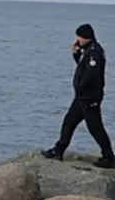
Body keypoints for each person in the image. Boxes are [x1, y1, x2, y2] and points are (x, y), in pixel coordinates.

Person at [42, 23, 114, 168]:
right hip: (82, 97)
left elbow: (92, 73)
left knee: (95, 127)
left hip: (89, 97)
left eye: (80, 37)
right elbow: (82, 66)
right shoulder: (87, 51)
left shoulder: (94, 52)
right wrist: (76, 53)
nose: (78, 39)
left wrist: (81, 84)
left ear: (87, 37)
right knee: (69, 122)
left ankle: (109, 157)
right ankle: (58, 150)